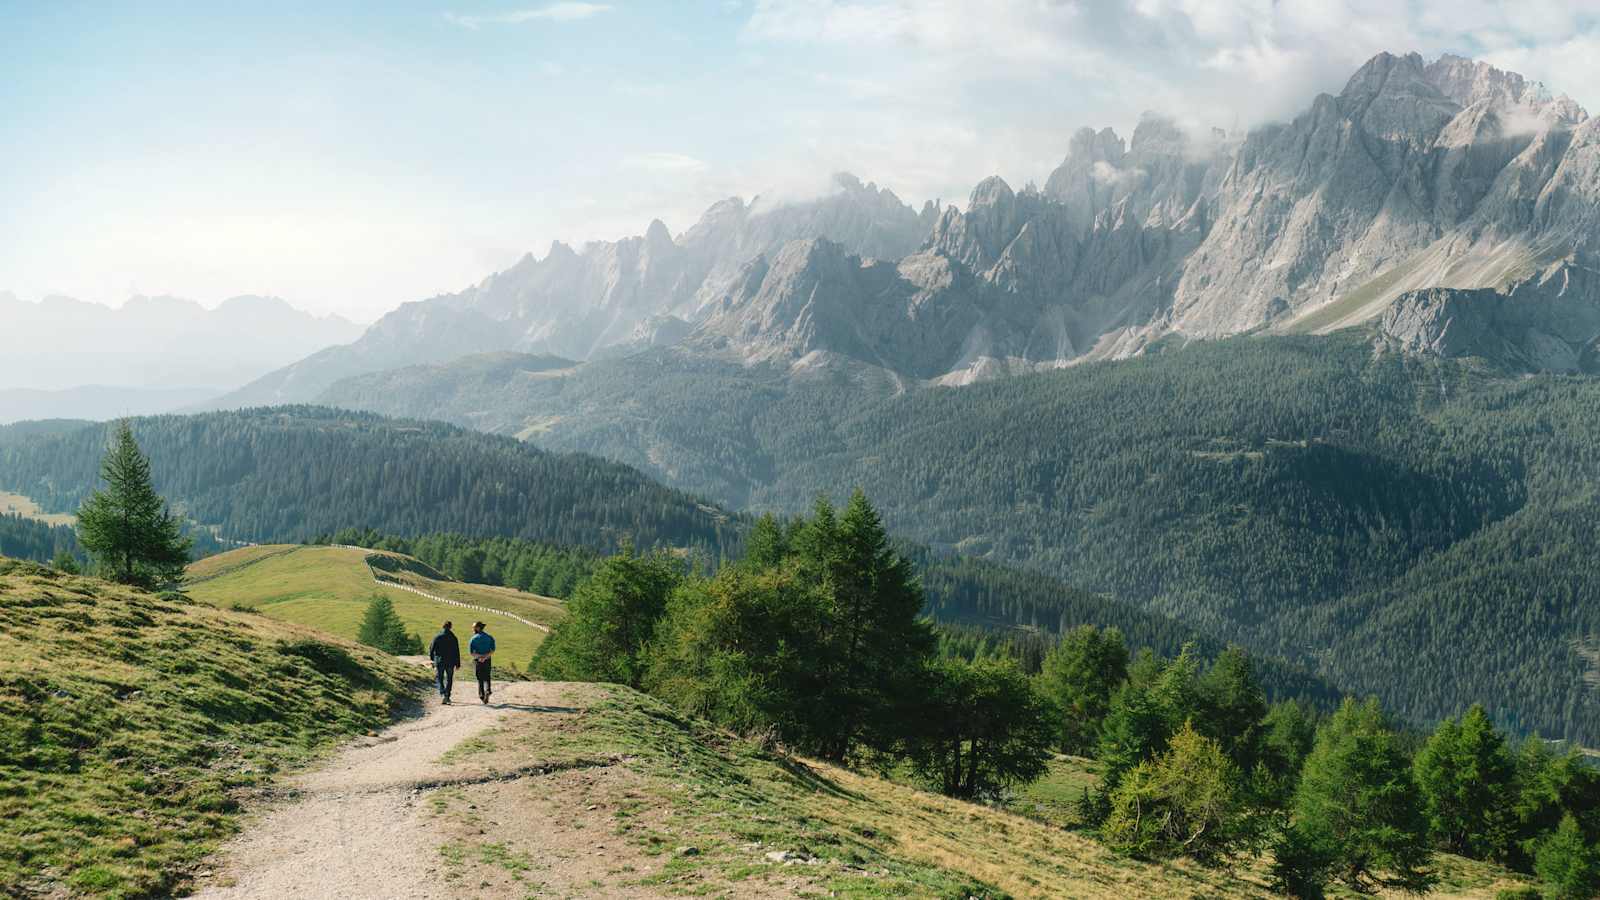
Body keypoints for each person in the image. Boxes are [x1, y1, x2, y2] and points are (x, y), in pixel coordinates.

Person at [429, 621, 461, 704]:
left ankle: (442, 692)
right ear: (450, 627)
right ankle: (447, 695)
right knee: (449, 678)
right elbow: (457, 651)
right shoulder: (454, 637)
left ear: (443, 626)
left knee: (439, 677)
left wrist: (432, 660)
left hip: (440, 660)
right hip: (451, 661)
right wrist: (458, 663)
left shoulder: (437, 636)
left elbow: (432, 648)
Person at [469, 621, 496, 704]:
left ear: (478, 628)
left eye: (473, 627)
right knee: (487, 676)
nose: (472, 628)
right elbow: (493, 650)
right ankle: (488, 690)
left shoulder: (473, 638)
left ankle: (481, 695)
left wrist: (480, 657)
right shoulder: (489, 637)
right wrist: (485, 657)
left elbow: (471, 652)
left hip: (478, 660)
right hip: (487, 659)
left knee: (479, 677)